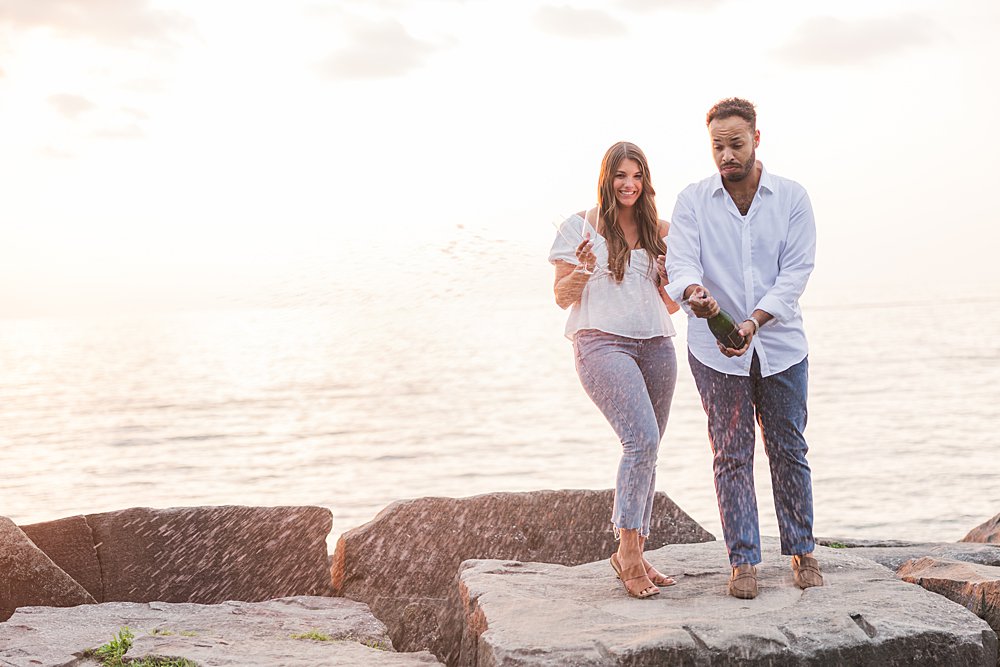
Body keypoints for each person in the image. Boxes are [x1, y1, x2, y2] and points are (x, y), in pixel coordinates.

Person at [659, 98, 823, 600]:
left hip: (781, 345)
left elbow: (795, 273)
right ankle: (743, 560)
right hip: (713, 349)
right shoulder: (692, 200)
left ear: (757, 139)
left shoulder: (792, 198)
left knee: (788, 449)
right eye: (717, 146)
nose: (726, 155)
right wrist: (694, 295)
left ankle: (802, 549)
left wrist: (754, 322)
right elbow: (681, 263)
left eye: (736, 143)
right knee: (730, 453)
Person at [549, 141, 680, 599]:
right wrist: (583, 268)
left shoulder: (660, 229)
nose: (629, 184)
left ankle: (637, 550)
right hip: (600, 342)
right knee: (640, 440)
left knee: (650, 449)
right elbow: (562, 297)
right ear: (607, 178)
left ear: (645, 181)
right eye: (621, 175)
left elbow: (669, 304)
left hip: (656, 343)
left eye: (637, 176)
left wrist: (667, 279)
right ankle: (626, 554)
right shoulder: (580, 226)